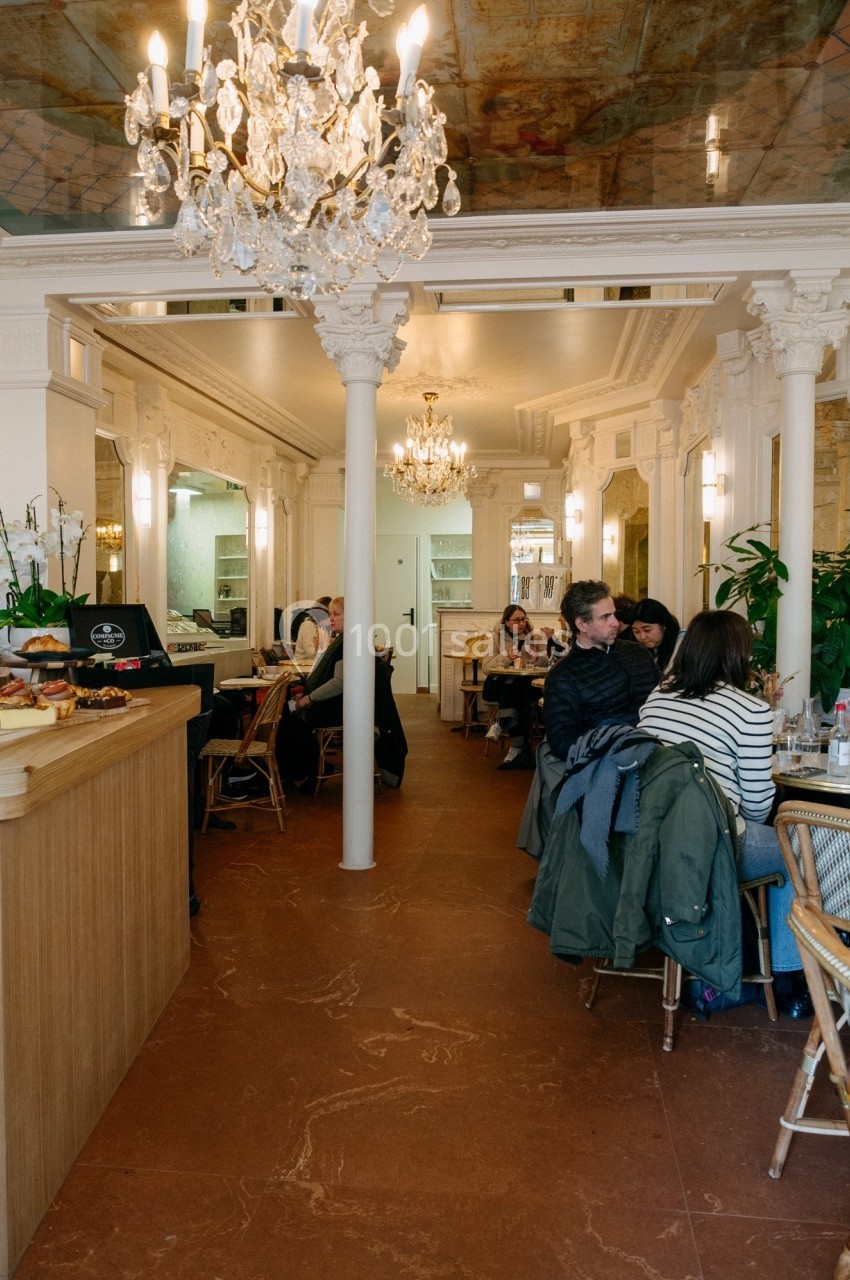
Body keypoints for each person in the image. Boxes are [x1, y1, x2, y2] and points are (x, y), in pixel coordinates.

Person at [638, 609, 810, 1019]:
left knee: (788, 847)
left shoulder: (657, 697)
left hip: (649, 839)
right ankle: (790, 980)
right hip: (711, 846)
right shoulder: (749, 710)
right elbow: (756, 804)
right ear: (738, 654)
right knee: (801, 849)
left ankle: (766, 966)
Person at [543, 580, 658, 761]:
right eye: (605, 617)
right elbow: (562, 742)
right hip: (609, 765)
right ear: (581, 624)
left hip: (658, 753)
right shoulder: (563, 675)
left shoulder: (638, 653)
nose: (615, 623)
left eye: (614, 614)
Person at [481, 604, 544, 770]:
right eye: (517, 619)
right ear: (507, 621)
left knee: (517, 689)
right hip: (498, 686)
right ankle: (517, 748)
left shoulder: (534, 637)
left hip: (527, 685)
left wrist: (536, 658)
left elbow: (546, 664)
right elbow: (486, 668)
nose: (521, 623)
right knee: (516, 691)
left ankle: (501, 724)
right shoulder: (495, 637)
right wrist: (505, 656)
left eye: (524, 619)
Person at [628, 597, 682, 672]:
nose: (642, 637)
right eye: (636, 631)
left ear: (663, 625)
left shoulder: (682, 644)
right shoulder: (639, 648)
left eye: (647, 630)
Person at [292, 596, 332, 663]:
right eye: (331, 613)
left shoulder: (321, 627)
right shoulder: (308, 625)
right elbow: (311, 655)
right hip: (303, 669)